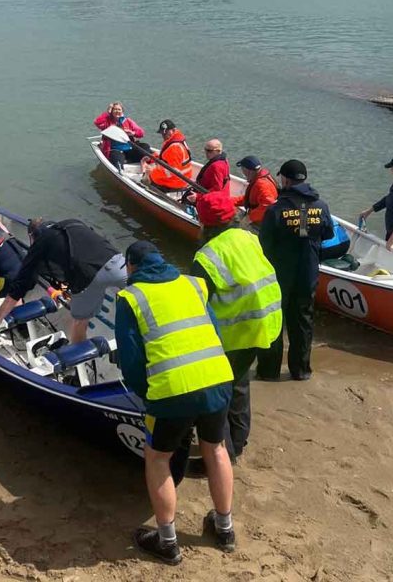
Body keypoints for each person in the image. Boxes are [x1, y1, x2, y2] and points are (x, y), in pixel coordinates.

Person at [115, 240, 236, 564]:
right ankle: (224, 528)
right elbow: (214, 331)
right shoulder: (193, 285)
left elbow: (130, 361)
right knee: (216, 448)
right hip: (217, 377)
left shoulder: (130, 297)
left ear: (131, 266)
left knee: (158, 458)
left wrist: (148, 396)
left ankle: (167, 541)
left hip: (171, 389)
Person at [190, 190, 282, 460]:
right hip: (267, 322)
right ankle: (239, 441)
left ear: (204, 223)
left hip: (235, 332)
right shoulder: (247, 236)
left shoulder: (206, 256)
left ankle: (223, 454)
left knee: (218, 393)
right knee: (240, 383)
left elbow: (199, 301)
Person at [0, 218, 126, 344]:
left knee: (80, 322)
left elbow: (19, 286)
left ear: (33, 236)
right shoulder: (73, 223)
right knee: (142, 297)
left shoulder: (41, 243)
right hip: (117, 262)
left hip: (88, 278)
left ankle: (78, 357)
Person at [257, 160, 332, 381]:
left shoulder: (276, 210)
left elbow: (264, 244)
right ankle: (301, 371)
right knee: (302, 321)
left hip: (280, 274)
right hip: (308, 273)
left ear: (286, 180)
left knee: (274, 321)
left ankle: (269, 372)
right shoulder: (321, 206)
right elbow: (327, 234)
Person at [94, 102, 148, 170]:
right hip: (115, 150)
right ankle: (120, 171)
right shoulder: (107, 122)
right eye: (115, 109)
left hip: (129, 149)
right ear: (111, 111)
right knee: (117, 159)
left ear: (122, 111)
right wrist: (108, 112)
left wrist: (132, 133)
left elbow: (141, 133)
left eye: (119, 109)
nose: (117, 111)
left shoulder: (127, 121)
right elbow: (97, 122)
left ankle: (147, 164)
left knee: (145, 146)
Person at [142, 120, 192, 191]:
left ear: (174, 130)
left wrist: (151, 172)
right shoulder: (177, 140)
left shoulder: (174, 147)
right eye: (162, 133)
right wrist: (152, 157)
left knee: (146, 176)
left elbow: (173, 172)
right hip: (185, 178)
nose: (163, 136)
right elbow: (165, 155)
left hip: (175, 182)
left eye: (165, 133)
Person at [233, 156, 278, 225]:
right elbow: (250, 199)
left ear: (248, 171)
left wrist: (249, 218)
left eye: (242, 169)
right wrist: (231, 201)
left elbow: (268, 205)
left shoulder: (261, 184)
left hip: (261, 222)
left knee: (234, 223)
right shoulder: (261, 178)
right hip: (258, 216)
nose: (242, 172)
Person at [183, 139, 229, 205]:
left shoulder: (216, 166)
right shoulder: (224, 161)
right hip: (205, 190)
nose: (206, 153)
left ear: (218, 151)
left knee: (185, 199)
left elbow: (217, 189)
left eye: (209, 151)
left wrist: (198, 197)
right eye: (205, 150)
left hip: (209, 198)